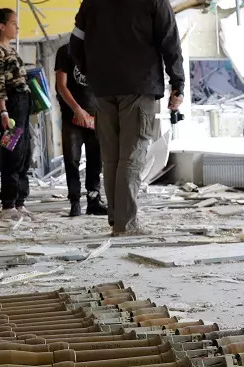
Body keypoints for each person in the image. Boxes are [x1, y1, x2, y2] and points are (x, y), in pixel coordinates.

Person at [71, 0, 184, 236]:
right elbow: (170, 42)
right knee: (131, 157)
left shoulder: (90, 3)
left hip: (103, 89)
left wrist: (91, 73)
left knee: (111, 159)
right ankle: (126, 224)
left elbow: (76, 43)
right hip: (139, 85)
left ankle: (116, 218)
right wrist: (177, 84)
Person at [0, 8, 32, 220]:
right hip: (10, 105)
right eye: (13, 23)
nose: (17, 27)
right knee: (12, 154)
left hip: (23, 103)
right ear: (2, 27)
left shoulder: (11, 49)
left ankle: (20, 201)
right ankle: (8, 204)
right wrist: (3, 111)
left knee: (25, 153)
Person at [54, 42, 108, 218]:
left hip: (96, 115)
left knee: (96, 160)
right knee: (72, 160)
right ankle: (75, 202)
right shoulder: (66, 51)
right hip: (73, 116)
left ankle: (94, 200)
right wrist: (77, 109)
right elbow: (61, 85)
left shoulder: (100, 49)